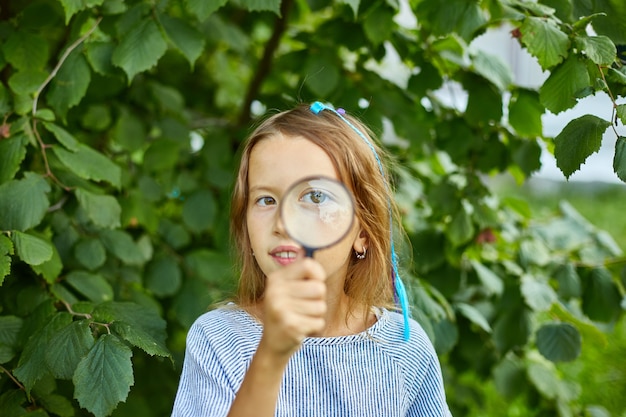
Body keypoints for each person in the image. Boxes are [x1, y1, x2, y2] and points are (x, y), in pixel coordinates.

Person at [171, 102, 451, 416]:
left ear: (362, 232)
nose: (283, 223)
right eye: (266, 199)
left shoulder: (405, 349)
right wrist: (271, 355)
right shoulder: (219, 340)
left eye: (315, 197)